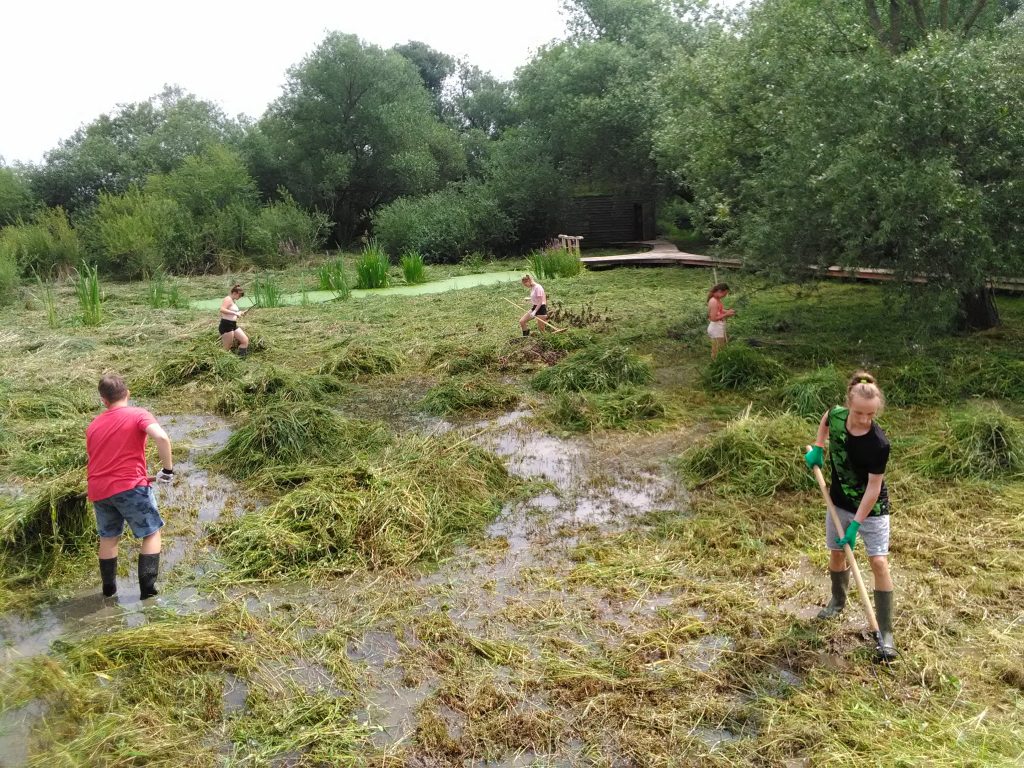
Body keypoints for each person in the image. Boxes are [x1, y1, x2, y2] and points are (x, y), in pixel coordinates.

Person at [804, 371, 896, 661]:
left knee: (878, 562)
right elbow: (827, 418)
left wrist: (856, 523)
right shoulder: (839, 414)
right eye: (859, 412)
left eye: (870, 414)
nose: (863, 419)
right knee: (836, 554)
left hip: (872, 509)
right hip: (839, 501)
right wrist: (819, 447)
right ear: (849, 405)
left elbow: (873, 488)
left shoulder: (878, 444)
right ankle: (837, 601)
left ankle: (886, 630)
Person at [86, 374, 173, 600]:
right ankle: (148, 593)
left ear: (103, 401)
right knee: (152, 533)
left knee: (109, 537)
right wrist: (167, 470)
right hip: (129, 487)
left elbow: (101, 461)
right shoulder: (138, 414)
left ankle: (109, 591)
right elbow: (162, 438)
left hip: (99, 490)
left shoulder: (93, 425)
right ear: (128, 394)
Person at [219, 284, 250, 357]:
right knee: (226, 348)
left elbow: (232, 313)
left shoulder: (233, 301)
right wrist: (235, 313)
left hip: (233, 324)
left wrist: (241, 313)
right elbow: (222, 309)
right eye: (240, 295)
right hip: (226, 325)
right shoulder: (228, 299)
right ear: (234, 293)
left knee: (245, 340)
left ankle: (241, 359)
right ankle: (221, 361)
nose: (240, 297)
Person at [707, 283, 736, 359]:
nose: (725, 296)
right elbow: (713, 318)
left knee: (721, 348)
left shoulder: (717, 300)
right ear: (719, 291)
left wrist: (727, 311)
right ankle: (715, 366)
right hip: (715, 328)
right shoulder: (714, 301)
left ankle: (717, 364)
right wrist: (726, 315)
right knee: (716, 351)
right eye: (724, 294)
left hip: (718, 327)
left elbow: (719, 310)